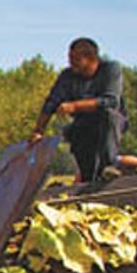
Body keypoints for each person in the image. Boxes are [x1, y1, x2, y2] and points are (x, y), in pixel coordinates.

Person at [30, 37, 126, 184]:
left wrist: (75, 106)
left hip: (109, 123)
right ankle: (88, 181)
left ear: (90, 58)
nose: (70, 63)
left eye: (75, 59)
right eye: (70, 58)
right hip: (84, 123)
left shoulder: (110, 69)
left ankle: (110, 166)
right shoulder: (67, 76)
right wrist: (38, 131)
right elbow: (51, 103)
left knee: (109, 116)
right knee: (75, 133)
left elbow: (111, 101)